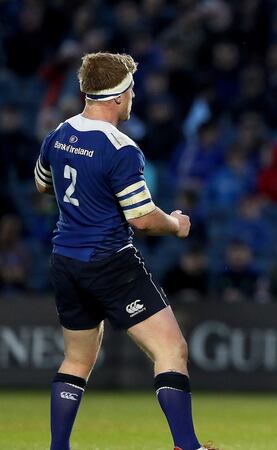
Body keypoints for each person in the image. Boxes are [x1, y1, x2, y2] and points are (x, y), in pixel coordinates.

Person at [34, 52, 214, 450]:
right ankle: (187, 445)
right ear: (117, 97)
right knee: (171, 349)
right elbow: (142, 219)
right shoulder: (121, 148)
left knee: (76, 362)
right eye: (131, 89)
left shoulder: (58, 134)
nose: (134, 96)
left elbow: (44, 185)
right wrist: (177, 224)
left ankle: (58, 448)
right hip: (110, 261)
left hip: (65, 260)